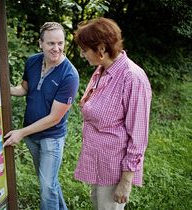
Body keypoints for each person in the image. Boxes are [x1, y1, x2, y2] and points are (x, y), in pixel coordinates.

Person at [73, 17, 152, 210]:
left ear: (100, 48)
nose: (83, 55)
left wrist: (126, 181)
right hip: (98, 161)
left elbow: (138, 136)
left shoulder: (132, 78)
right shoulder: (102, 70)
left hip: (114, 168)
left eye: (85, 50)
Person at [3, 22, 79, 210]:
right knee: (49, 183)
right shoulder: (33, 61)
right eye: (51, 43)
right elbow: (24, 89)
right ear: (41, 44)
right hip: (32, 135)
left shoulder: (69, 75)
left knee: (47, 185)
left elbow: (55, 118)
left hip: (51, 138)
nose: (57, 48)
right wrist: (2, 89)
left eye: (60, 43)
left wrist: (20, 132)